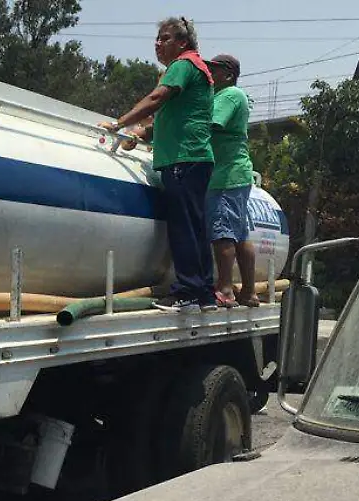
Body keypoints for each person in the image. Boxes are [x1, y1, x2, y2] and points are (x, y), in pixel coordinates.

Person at [101, 17, 216, 313]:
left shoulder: (182, 65)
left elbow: (157, 99)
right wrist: (139, 133)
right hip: (194, 157)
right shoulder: (196, 68)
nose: (158, 43)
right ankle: (203, 292)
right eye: (157, 39)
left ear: (182, 42)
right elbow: (170, 114)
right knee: (195, 226)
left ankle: (188, 291)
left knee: (184, 227)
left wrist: (119, 123)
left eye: (165, 38)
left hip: (183, 158)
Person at [205, 54, 258, 307]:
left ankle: (225, 289)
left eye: (213, 70)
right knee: (240, 234)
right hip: (236, 173)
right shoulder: (229, 96)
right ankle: (248, 291)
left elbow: (211, 124)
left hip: (225, 175)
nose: (209, 74)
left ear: (228, 74)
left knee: (222, 231)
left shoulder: (228, 95)